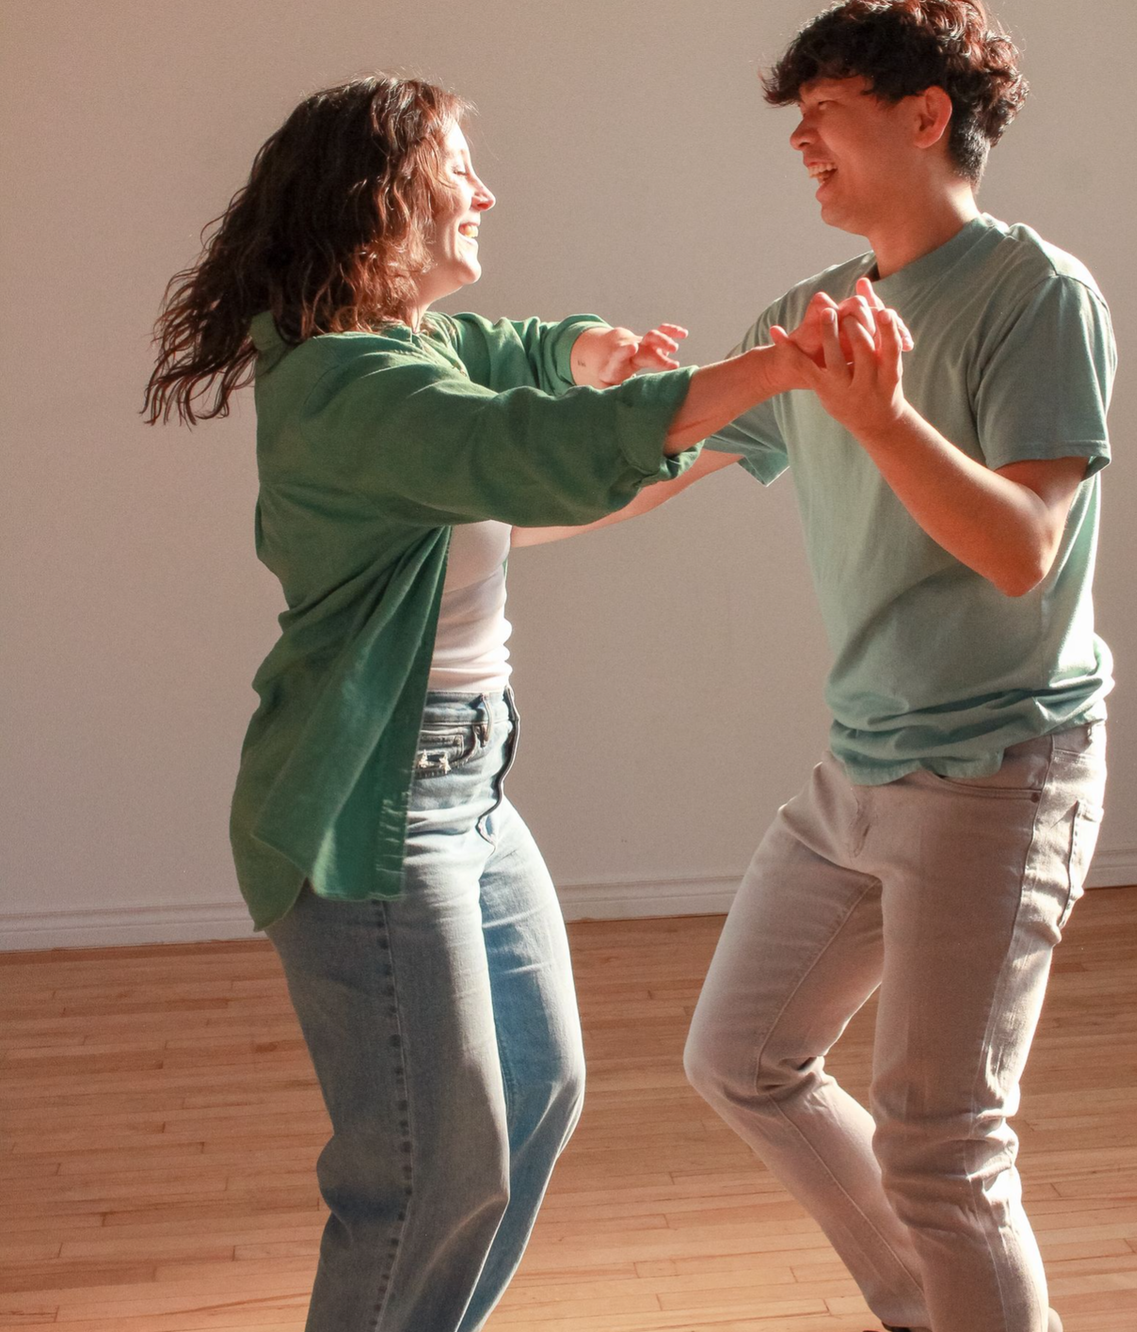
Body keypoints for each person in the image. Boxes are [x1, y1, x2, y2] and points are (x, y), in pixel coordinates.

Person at [141, 75, 884, 1332]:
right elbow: (536, 451)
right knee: (424, 1169)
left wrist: (587, 351)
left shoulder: (408, 351)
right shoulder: (349, 389)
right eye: (456, 172)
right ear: (379, 202)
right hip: (373, 807)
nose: (485, 194)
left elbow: (512, 358)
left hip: (468, 793)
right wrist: (772, 370)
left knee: (535, 1091)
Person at [676, 0, 1117, 1332]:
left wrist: (881, 421)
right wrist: (490, 487)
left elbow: (1022, 547)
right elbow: (662, 464)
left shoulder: (1036, 295)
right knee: (741, 1057)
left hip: (999, 770)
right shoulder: (815, 311)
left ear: (927, 117)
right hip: (861, 763)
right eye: (797, 117)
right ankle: (931, 1312)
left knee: (944, 1146)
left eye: (827, 111)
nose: (800, 140)